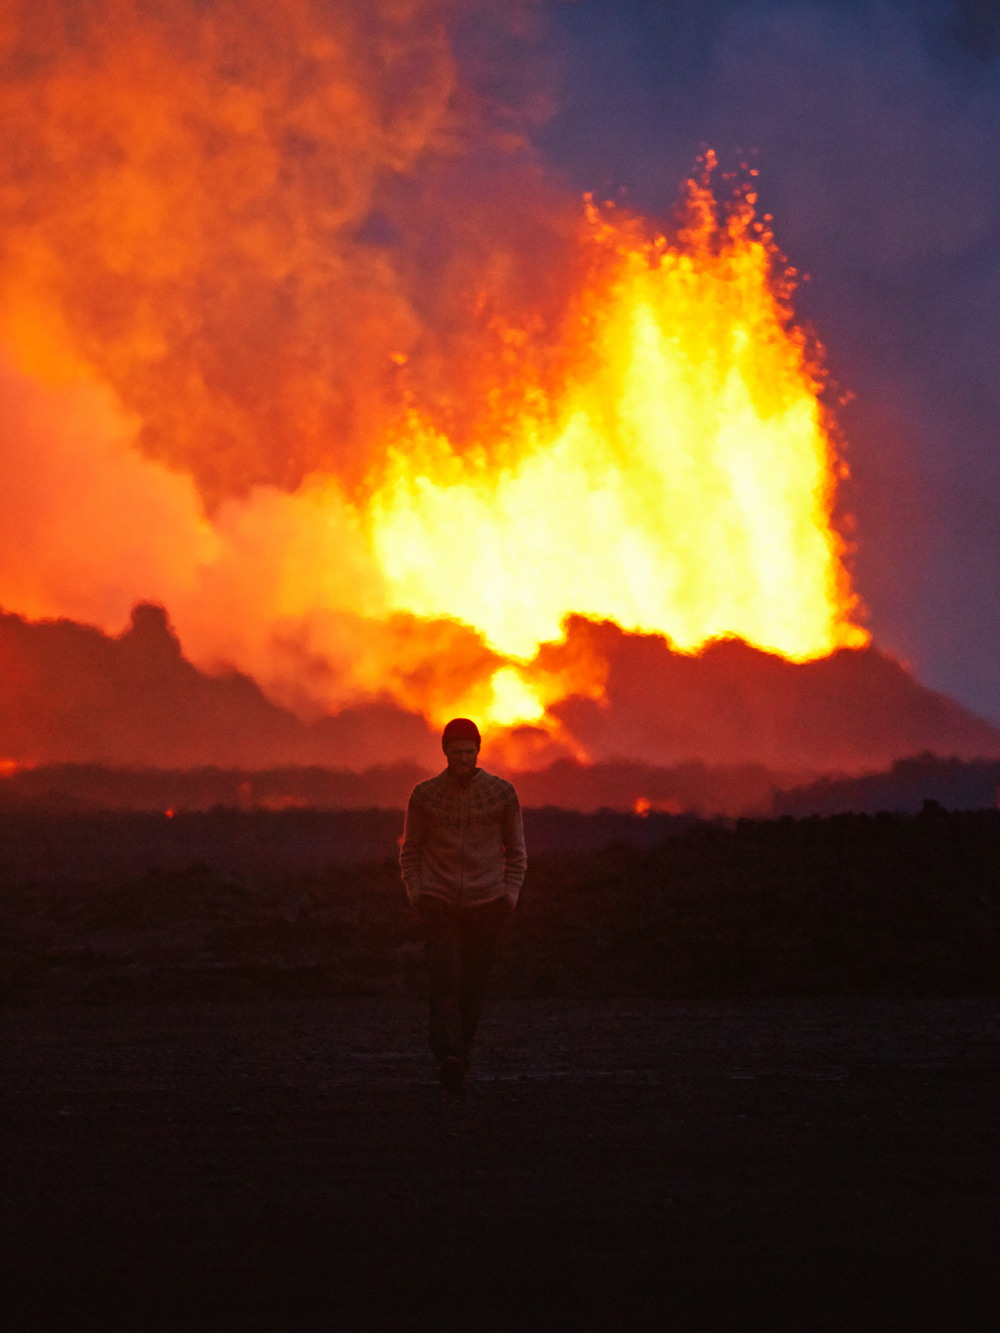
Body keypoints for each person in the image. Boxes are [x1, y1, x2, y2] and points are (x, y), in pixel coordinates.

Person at [400, 717, 527, 1093]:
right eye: (456, 752)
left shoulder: (502, 794)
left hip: (487, 902)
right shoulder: (425, 795)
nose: (463, 758)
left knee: (473, 984)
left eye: (468, 752)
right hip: (438, 900)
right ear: (444, 751)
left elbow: (516, 851)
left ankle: (459, 1056)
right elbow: (411, 849)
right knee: (444, 978)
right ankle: (447, 1052)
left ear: (478, 751)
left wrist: (509, 896)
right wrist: (416, 892)